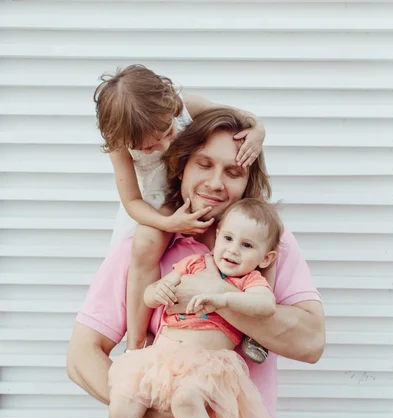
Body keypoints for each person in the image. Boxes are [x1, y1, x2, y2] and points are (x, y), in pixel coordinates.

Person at [68, 107, 325, 418]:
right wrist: (152, 408)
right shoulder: (143, 248)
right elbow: (82, 355)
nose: (215, 181)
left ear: (249, 180)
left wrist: (220, 293)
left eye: (234, 170)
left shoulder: (268, 247)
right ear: (180, 165)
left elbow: (311, 342)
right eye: (204, 164)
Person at [96, 199, 283, 418]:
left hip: (206, 365)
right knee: (121, 408)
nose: (232, 250)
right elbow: (151, 296)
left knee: (187, 400)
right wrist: (159, 289)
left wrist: (224, 298)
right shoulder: (194, 263)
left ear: (266, 258)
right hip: (161, 359)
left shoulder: (248, 282)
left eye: (247, 245)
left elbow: (265, 305)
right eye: (227, 239)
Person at [94, 64, 267, 362]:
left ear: (171, 106)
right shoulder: (120, 147)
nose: (165, 145)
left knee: (251, 234)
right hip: (159, 204)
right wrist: (167, 222)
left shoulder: (187, 105)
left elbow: (241, 117)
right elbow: (132, 201)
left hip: (199, 188)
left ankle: (256, 329)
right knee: (146, 243)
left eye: (168, 132)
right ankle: (136, 341)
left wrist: (259, 131)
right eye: (148, 148)